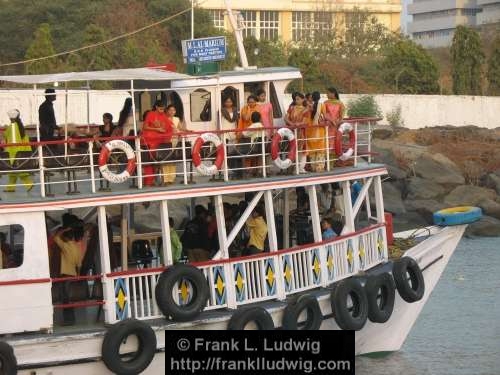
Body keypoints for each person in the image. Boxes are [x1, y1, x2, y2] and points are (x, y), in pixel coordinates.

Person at [53, 226, 82, 325]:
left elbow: (56, 237)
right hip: (73, 275)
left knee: (66, 300)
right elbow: (79, 264)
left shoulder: (65, 246)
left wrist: (64, 229)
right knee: (69, 299)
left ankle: (68, 321)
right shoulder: (77, 247)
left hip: (65, 276)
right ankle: (71, 320)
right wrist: (78, 275)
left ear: (65, 238)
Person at [141, 100, 173, 187]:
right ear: (156, 107)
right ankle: (151, 181)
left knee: (159, 162)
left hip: (160, 142)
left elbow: (169, 127)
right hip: (150, 142)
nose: (162, 111)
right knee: (151, 162)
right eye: (160, 109)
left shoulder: (164, 116)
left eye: (163, 109)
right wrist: (157, 129)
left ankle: (157, 180)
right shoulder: (150, 114)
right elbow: (145, 126)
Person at [3, 109, 33, 192]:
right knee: (13, 172)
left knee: (18, 170)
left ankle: (29, 183)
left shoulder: (12, 127)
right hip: (22, 152)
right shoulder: (20, 127)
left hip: (14, 153)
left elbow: (10, 140)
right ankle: (10, 188)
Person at [284, 93, 310, 173]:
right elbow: (285, 118)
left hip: (301, 132)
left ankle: (300, 168)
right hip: (291, 131)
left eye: (298, 99)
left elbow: (305, 122)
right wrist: (292, 124)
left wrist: (297, 125)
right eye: (296, 99)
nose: (296, 100)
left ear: (303, 100)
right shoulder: (291, 108)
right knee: (291, 149)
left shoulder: (306, 110)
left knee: (302, 149)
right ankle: (292, 168)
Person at [321, 87, 345, 163]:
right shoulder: (325, 103)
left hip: (336, 126)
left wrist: (337, 122)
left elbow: (342, 115)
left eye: (328, 93)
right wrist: (331, 120)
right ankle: (326, 162)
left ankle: (332, 162)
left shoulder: (340, 103)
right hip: (328, 125)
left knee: (336, 141)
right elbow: (324, 114)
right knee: (327, 142)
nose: (327, 94)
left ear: (333, 93)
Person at [161, 105, 181, 185]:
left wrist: (184, 131)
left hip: (175, 140)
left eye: (173, 110)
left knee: (173, 159)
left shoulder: (177, 119)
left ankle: (171, 179)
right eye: (170, 110)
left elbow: (180, 128)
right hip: (166, 140)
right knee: (166, 159)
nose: (172, 112)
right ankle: (165, 179)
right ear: (167, 111)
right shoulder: (164, 119)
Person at [307, 91, 326, 172]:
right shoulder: (321, 105)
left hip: (311, 130)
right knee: (320, 149)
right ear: (319, 97)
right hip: (319, 130)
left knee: (312, 150)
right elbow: (324, 117)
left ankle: (313, 167)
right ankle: (319, 168)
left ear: (312, 98)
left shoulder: (309, 106)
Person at [95, 113, 115, 191]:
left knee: (106, 167)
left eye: (104, 118)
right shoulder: (101, 127)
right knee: (101, 166)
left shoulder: (114, 128)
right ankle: (102, 185)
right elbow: (96, 135)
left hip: (109, 147)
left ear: (109, 119)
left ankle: (107, 185)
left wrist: (105, 143)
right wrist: (98, 141)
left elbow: (112, 138)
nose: (103, 119)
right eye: (103, 118)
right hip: (101, 148)